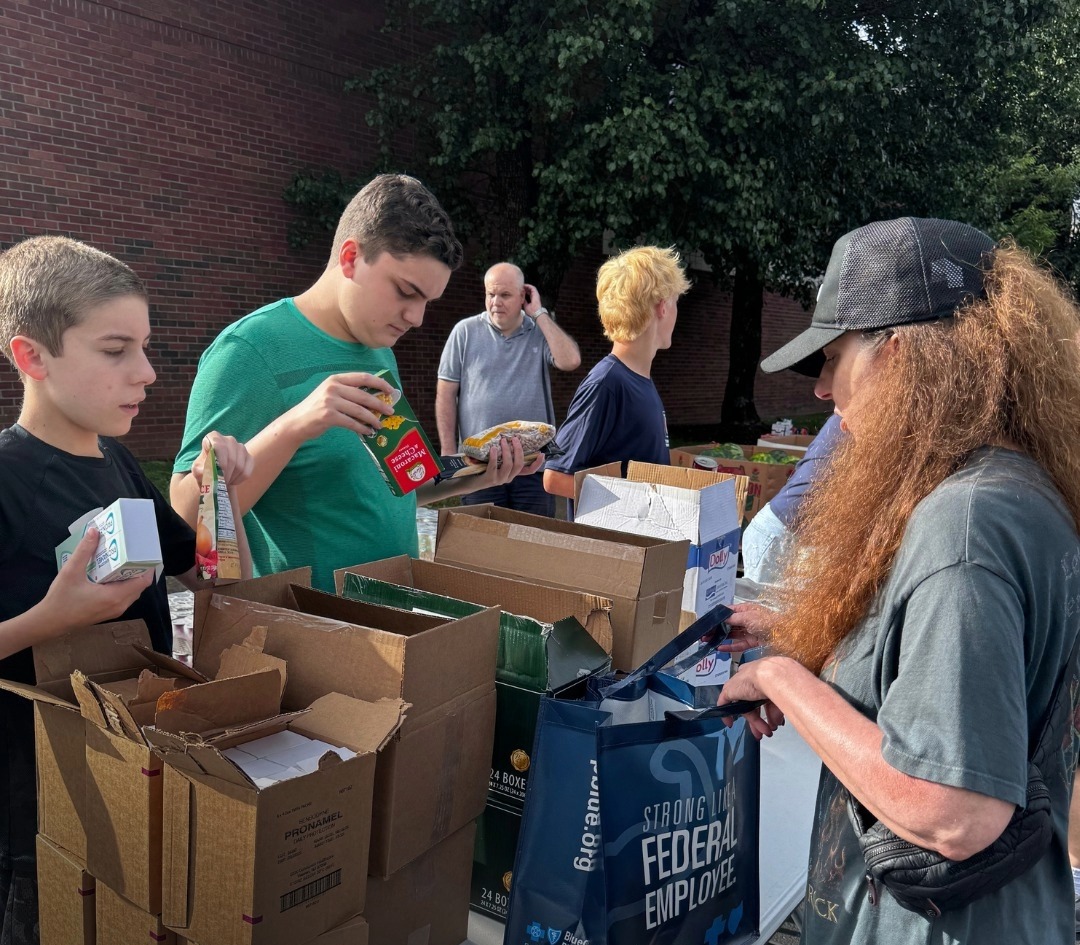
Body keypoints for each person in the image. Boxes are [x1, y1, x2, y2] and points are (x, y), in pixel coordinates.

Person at [717, 217, 1080, 944]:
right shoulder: (1007, 491)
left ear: (901, 354)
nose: (820, 388)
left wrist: (787, 679)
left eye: (833, 356)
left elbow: (955, 809)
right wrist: (801, 638)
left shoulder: (966, 523)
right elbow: (940, 671)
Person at [0, 235, 253, 944]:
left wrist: (217, 493)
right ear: (32, 357)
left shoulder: (116, 460)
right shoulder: (8, 478)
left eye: (145, 346)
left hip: (136, 765)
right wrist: (50, 616)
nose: (145, 372)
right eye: (116, 350)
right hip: (38, 804)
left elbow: (198, 565)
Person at [171, 174, 542, 591]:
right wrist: (296, 425)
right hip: (309, 630)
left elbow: (397, 489)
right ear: (350, 258)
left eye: (426, 303)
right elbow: (187, 533)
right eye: (405, 292)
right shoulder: (246, 351)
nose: (416, 318)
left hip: (394, 615)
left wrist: (483, 476)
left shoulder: (378, 346)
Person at [543, 246, 689, 503]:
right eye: (676, 302)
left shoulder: (639, 378)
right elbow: (555, 478)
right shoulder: (607, 382)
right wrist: (640, 501)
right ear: (662, 306)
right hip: (615, 542)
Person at [435, 262, 580, 516]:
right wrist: (448, 454)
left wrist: (539, 313)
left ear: (523, 296)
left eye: (505, 295)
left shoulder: (539, 331)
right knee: (482, 547)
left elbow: (571, 361)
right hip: (479, 469)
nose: (495, 302)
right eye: (491, 294)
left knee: (534, 546)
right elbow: (446, 394)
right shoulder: (464, 332)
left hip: (532, 465)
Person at [740, 413, 844, 585]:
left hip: (792, 534)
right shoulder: (850, 417)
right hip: (780, 535)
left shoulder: (849, 413)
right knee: (764, 607)